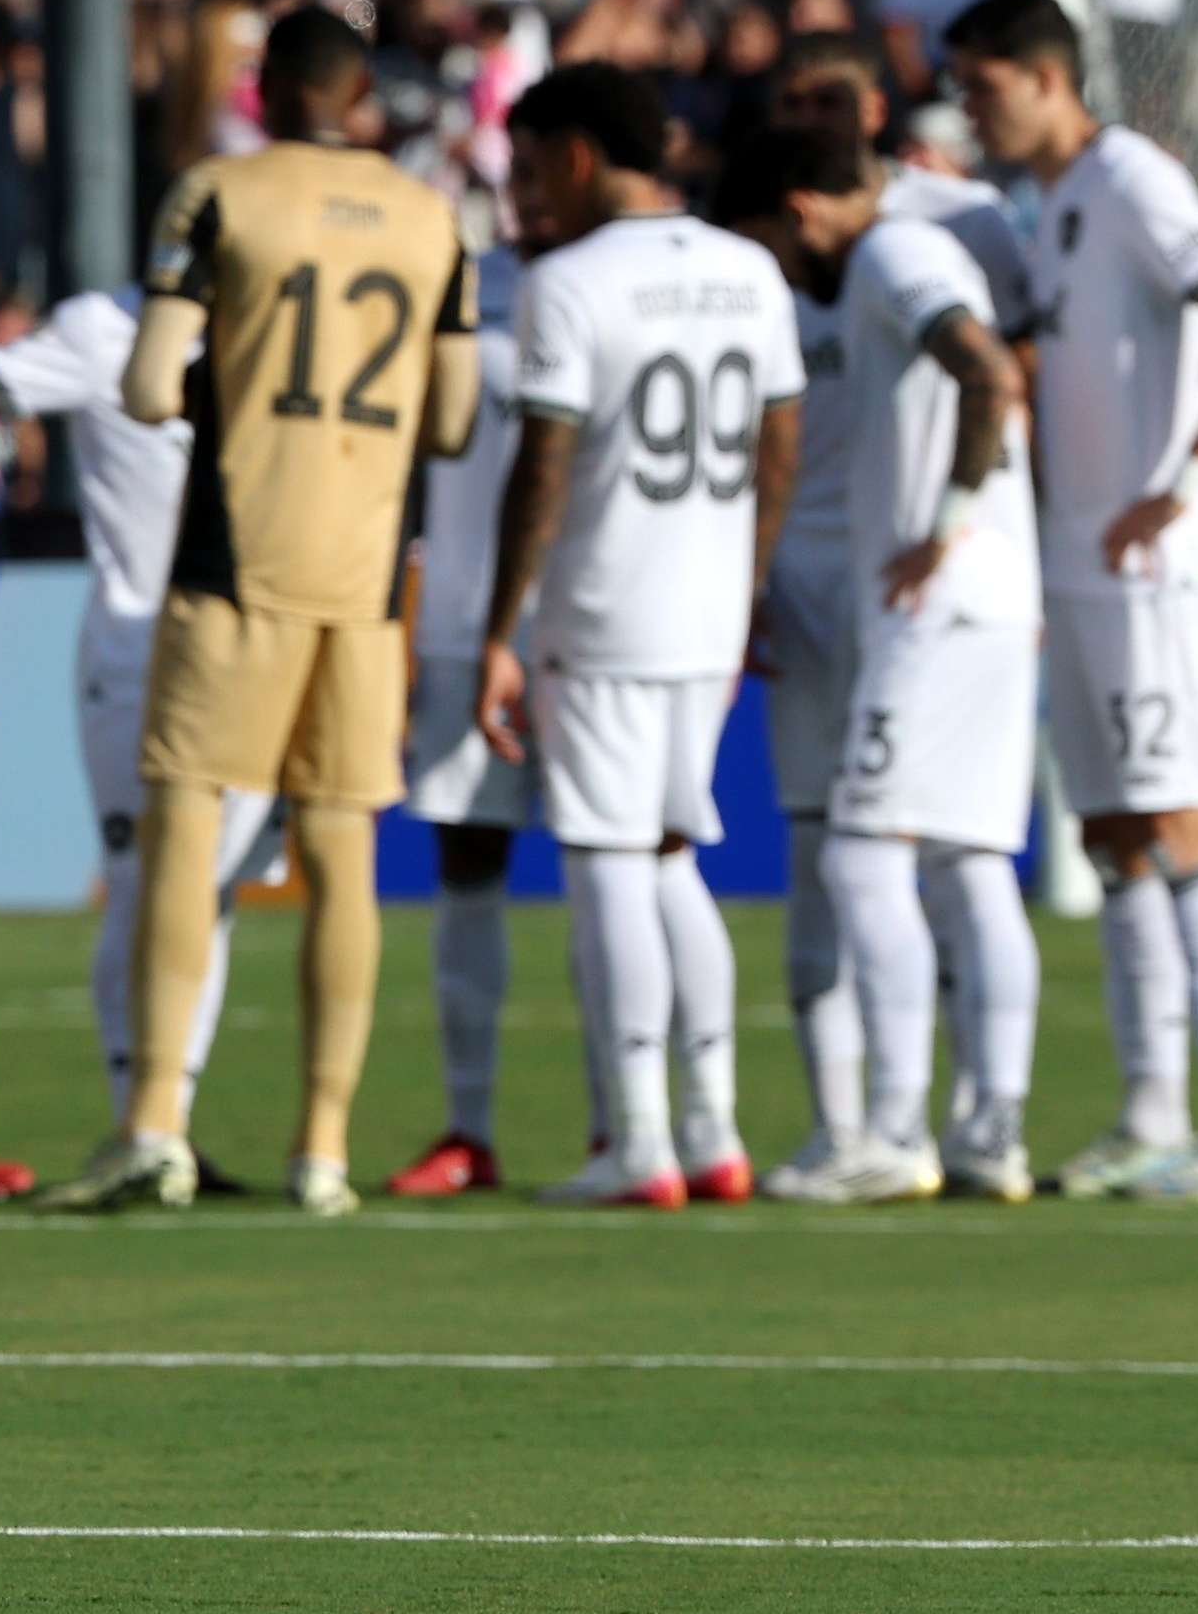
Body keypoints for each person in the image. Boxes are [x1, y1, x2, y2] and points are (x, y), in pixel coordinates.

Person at [39, 6, 480, 1217]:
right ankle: (324, 1148)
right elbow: (451, 420)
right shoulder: (434, 214)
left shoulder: (218, 193)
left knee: (188, 833)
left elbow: (142, 386)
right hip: (366, 572)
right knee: (344, 853)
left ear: (270, 85)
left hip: (239, 554)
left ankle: (156, 1126)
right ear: (358, 93)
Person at [944, 0, 1198, 1203]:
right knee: (1112, 833)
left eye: (984, 84)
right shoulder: (1054, 209)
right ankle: (1154, 1110)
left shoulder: (1136, 177)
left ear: (1046, 77)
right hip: (1086, 564)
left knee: (1183, 819)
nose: (973, 108)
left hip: (1160, 563)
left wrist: (1189, 479)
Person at [474, 65, 803, 1210]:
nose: (522, 198)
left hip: (606, 608)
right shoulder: (749, 268)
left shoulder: (569, 282)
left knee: (608, 860)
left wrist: (500, 626)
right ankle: (712, 1131)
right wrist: (746, 586)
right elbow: (781, 443)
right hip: (707, 614)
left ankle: (640, 1139)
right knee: (671, 857)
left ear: (572, 155)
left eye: (525, 169)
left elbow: (545, 465)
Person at [721, 125, 1045, 1203]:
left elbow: (987, 371)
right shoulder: (911, 248)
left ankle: (892, 1130)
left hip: (937, 604)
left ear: (800, 211)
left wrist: (944, 520)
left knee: (862, 856)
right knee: (967, 861)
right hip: (995, 598)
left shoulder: (891, 256)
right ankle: (989, 1128)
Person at [0, 284, 261, 1134]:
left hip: (254, 655)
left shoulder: (280, 320)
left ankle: (171, 1118)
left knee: (213, 894)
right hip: (140, 655)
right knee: (144, 887)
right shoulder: (104, 327)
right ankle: (143, 1118)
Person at [376, 226, 533, 1198]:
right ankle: (469, 1128)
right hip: (462, 621)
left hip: (603, 623)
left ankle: (645, 1128)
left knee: (635, 866)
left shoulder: (637, 277)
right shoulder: (459, 285)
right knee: (467, 860)